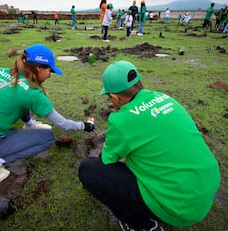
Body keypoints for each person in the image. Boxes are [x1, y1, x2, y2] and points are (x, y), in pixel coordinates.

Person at [79, 60, 220, 231]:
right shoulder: (166, 98)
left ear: (115, 97)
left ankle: (140, 225)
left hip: (178, 208)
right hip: (205, 189)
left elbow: (106, 160)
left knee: (88, 169)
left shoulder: (121, 120)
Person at [0, 44, 95, 184]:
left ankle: (30, 125)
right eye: (50, 70)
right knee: (47, 138)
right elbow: (62, 123)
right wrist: (84, 126)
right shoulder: (33, 94)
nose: (50, 75)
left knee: (19, 103)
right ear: (38, 68)